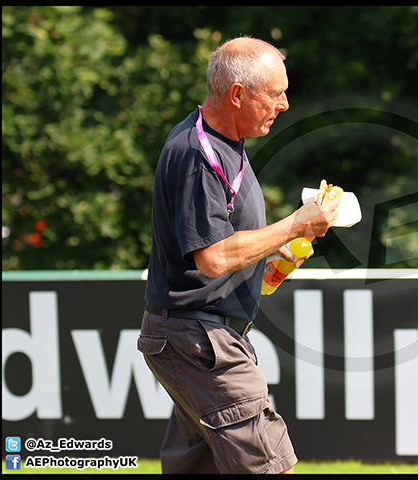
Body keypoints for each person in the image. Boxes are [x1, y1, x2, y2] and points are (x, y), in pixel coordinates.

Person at [137, 35, 340, 474]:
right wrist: (297, 224)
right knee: (274, 467)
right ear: (237, 94)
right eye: (276, 93)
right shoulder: (198, 154)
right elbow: (211, 258)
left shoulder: (225, 143)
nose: (284, 104)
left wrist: (277, 256)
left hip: (202, 335)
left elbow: (226, 248)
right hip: (199, 339)